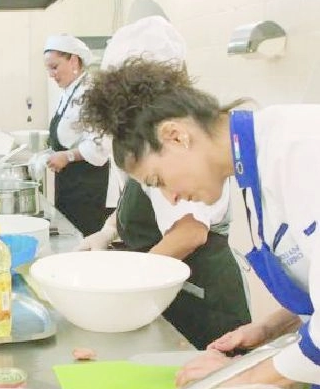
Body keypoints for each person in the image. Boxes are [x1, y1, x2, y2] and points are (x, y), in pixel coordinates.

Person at [81, 58, 320, 386]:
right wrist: (270, 329)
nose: (171, 198)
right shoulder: (254, 173)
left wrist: (238, 379)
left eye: (158, 179)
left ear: (176, 136)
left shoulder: (302, 151)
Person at [76, 16, 250, 350]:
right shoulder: (157, 143)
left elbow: (190, 231)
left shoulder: (177, 148)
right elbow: (142, 196)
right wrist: (109, 231)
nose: (169, 196)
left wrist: (132, 284)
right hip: (175, 290)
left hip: (203, 299)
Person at [43, 34, 112, 236]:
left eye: (54, 67)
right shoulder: (68, 92)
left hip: (87, 183)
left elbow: (100, 146)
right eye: (48, 68)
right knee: (70, 234)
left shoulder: (91, 92)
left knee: (83, 238)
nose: (51, 74)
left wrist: (67, 156)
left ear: (73, 60)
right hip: (69, 181)